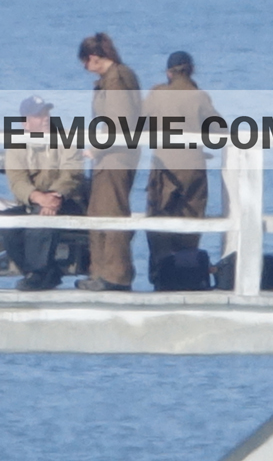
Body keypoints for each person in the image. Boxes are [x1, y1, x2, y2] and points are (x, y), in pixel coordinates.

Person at [143, 51, 220, 287]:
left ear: (169, 73)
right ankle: (186, 277)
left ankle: (162, 278)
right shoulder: (199, 97)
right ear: (192, 70)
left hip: (164, 170)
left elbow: (140, 124)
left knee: (159, 225)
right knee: (190, 225)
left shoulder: (157, 95)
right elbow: (219, 132)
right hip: (193, 169)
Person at [0, 95, 86, 291]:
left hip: (68, 201)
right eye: (39, 115)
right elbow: (17, 180)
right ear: (26, 122)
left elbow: (72, 173)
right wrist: (38, 197)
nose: (45, 118)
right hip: (33, 201)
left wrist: (55, 196)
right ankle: (42, 272)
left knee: (41, 221)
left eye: (46, 113)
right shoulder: (16, 144)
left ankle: (38, 275)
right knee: (3, 224)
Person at [78, 32, 141, 292]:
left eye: (85, 62)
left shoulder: (116, 80)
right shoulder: (116, 77)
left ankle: (115, 276)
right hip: (113, 154)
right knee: (98, 211)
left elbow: (119, 122)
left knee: (111, 213)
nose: (85, 69)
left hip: (115, 156)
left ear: (94, 58)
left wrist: (96, 148)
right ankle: (101, 272)